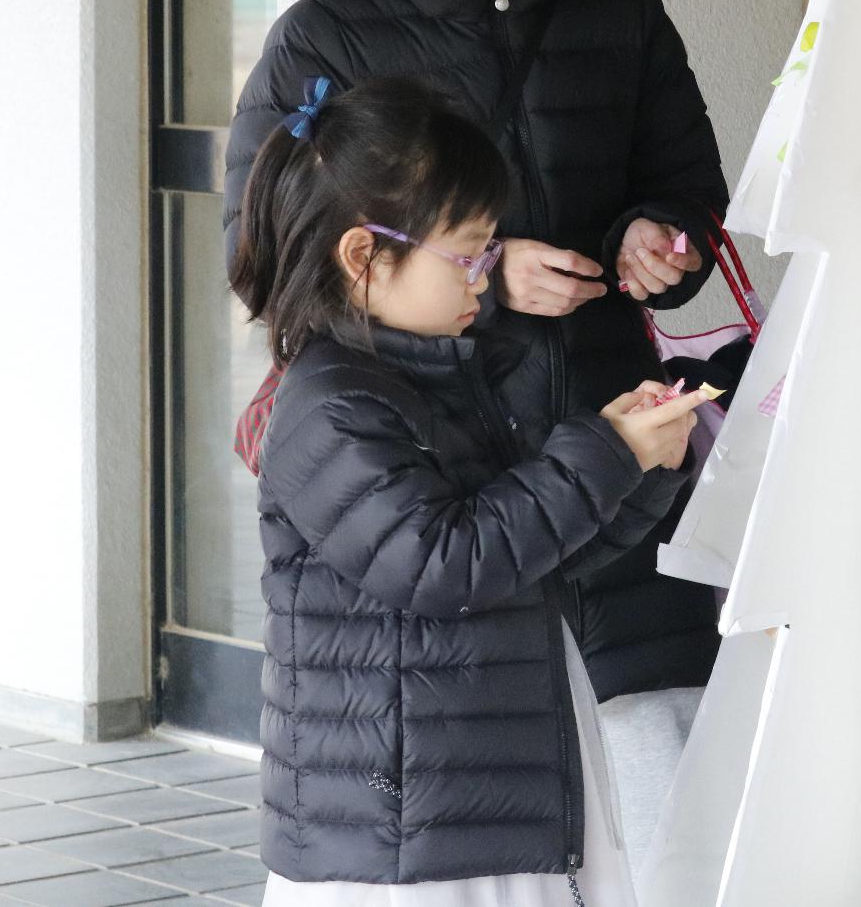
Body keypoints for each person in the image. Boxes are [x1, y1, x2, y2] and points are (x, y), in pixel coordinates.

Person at [225, 0, 728, 875]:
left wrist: (657, 238)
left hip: (607, 436)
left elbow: (687, 188)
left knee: (649, 810)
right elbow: (265, 245)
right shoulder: (324, 36)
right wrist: (486, 276)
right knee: (479, 805)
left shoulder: (618, 7)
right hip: (444, 458)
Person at [231, 76, 718, 904]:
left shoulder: (434, 373)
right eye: (468, 255)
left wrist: (638, 466)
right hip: (402, 826)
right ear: (363, 256)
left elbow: (531, 550)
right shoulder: (327, 408)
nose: (483, 280)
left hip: (474, 780)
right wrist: (605, 453)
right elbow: (446, 565)